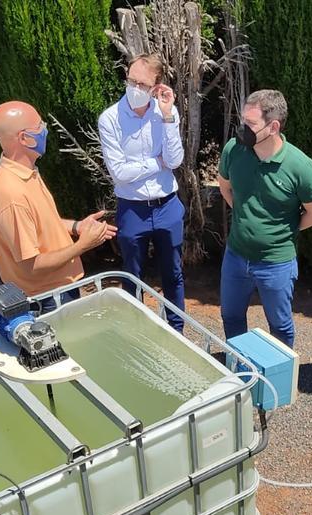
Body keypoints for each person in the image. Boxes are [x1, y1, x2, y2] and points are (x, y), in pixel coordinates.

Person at [217, 89, 312, 348]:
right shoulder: (234, 150)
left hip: (276, 264)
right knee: (231, 316)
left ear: (273, 126)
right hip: (236, 256)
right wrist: (243, 214)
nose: (243, 129)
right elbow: (224, 185)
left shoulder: (299, 166)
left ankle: (279, 379)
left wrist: (284, 231)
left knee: (280, 326)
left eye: (251, 124)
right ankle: (240, 369)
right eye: (243, 120)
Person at [0, 101, 116, 313]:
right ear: (24, 138)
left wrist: (76, 227)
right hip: (47, 299)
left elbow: (41, 224)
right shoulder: (12, 194)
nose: (45, 129)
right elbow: (32, 266)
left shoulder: (26, 172)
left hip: (58, 289)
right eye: (39, 126)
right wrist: (83, 245)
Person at [97, 53, 187, 331]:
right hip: (132, 208)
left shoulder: (165, 113)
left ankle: (177, 330)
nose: (135, 88)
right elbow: (120, 173)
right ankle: (133, 330)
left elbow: (174, 160)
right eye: (131, 80)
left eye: (142, 84)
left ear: (156, 86)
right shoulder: (110, 119)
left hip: (167, 205)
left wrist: (169, 117)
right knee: (132, 273)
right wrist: (155, 162)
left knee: (173, 273)